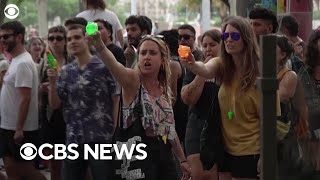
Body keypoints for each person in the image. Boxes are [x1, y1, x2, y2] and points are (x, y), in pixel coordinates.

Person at [87, 31, 191, 179]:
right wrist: (100, 45)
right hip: (136, 159)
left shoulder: (164, 89)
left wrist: (182, 159)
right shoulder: (132, 81)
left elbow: (169, 129)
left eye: (152, 53)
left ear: (162, 59)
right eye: (143, 53)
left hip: (162, 157)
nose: (147, 56)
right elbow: (114, 65)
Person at [181, 16, 263, 180]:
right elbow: (205, 69)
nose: (228, 40)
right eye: (225, 36)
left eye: (235, 36)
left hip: (250, 150)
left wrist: (265, 155)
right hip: (224, 149)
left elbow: (268, 119)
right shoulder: (221, 64)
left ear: (246, 38)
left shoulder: (259, 70)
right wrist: (192, 63)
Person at [47, 24, 119, 180]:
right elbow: (55, 104)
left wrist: (115, 130)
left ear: (86, 40)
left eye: (77, 37)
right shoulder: (65, 71)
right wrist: (52, 82)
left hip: (101, 137)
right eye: (69, 39)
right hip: (74, 137)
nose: (73, 41)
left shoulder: (103, 67)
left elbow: (116, 99)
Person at [0, 21, 45, 180]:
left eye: (6, 36)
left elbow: (25, 98)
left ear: (19, 37)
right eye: (0, 37)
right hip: (8, 126)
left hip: (20, 129)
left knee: (25, 171)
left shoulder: (24, 63)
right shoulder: (16, 60)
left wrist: (19, 128)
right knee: (12, 170)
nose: (2, 40)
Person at [181, 29, 221, 180]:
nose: (208, 49)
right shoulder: (195, 68)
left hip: (223, 130)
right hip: (198, 129)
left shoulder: (230, 69)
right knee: (200, 174)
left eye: (212, 44)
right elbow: (188, 99)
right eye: (204, 45)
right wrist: (202, 72)